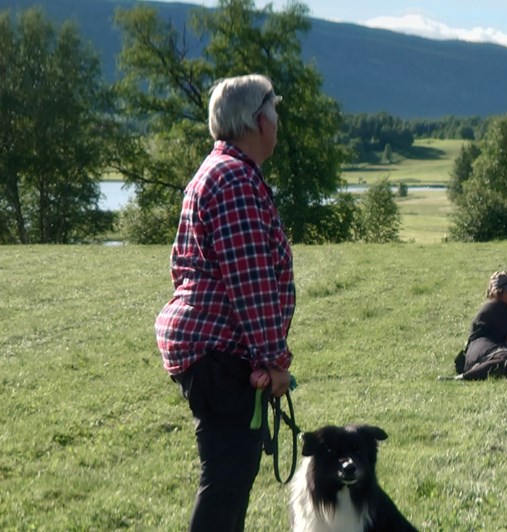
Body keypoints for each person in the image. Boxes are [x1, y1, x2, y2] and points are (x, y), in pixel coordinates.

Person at [155, 73, 293, 531]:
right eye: (274, 113)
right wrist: (274, 361)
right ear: (258, 120)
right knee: (226, 481)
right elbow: (252, 284)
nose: (277, 123)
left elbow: (182, 267)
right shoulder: (234, 180)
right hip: (222, 359)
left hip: (216, 354)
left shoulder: (216, 171)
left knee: (230, 478)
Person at [447, 271, 507, 380]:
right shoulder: (494, 306)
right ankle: (463, 377)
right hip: (480, 354)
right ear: (498, 293)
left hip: (500, 351)